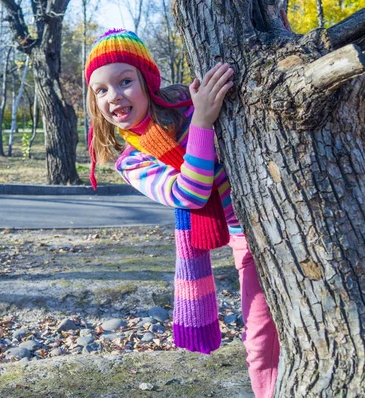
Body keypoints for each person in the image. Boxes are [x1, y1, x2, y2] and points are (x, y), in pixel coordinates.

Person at [85, 28, 280, 398]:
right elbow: (189, 194)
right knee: (259, 338)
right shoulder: (133, 160)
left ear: (147, 81)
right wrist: (204, 122)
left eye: (125, 81)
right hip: (248, 239)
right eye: (102, 90)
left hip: (283, 213)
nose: (115, 96)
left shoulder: (188, 103)